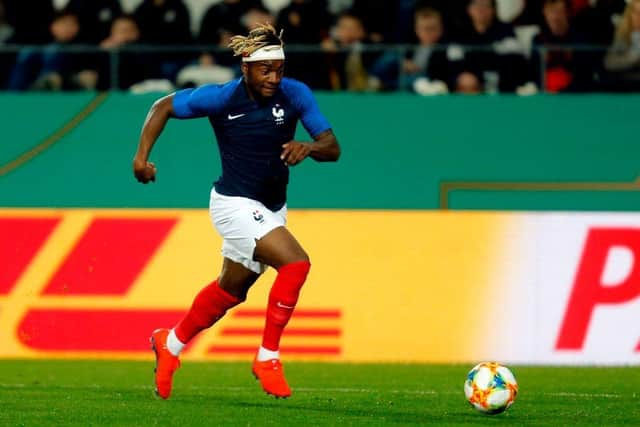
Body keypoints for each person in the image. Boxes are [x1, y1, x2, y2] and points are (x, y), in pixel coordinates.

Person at [132, 23, 341, 399]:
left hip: (272, 207)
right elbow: (161, 106)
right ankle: (267, 357)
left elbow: (332, 147)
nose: (275, 77)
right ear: (245, 68)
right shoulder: (221, 98)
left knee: (232, 290)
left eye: (279, 68)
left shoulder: (295, 94)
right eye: (266, 70)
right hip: (233, 203)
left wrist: (308, 147)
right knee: (296, 264)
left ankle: (171, 344)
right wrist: (141, 158)